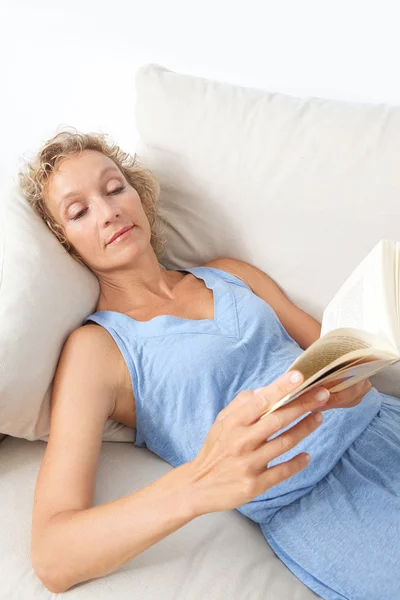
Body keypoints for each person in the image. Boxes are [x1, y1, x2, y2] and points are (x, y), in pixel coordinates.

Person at [19, 129, 399, 599]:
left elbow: (337, 343)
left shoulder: (230, 273)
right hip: (328, 503)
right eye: (79, 211)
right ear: (65, 243)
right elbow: (54, 556)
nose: (109, 210)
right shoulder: (95, 351)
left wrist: (358, 372)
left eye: (115, 187)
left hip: (386, 423)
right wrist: (197, 486)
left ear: (138, 194)